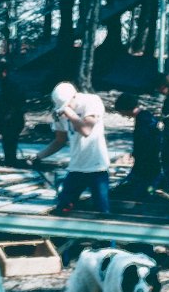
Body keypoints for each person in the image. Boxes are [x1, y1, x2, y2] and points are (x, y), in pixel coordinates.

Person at [32, 82, 111, 215]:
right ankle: (61, 235)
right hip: (76, 168)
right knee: (63, 207)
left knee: (102, 211)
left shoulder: (91, 101)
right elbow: (59, 141)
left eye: (67, 104)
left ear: (74, 97)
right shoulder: (60, 112)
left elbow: (86, 130)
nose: (65, 108)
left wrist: (69, 112)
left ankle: (103, 234)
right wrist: (39, 156)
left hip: (97, 167)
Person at [112, 93, 163, 198]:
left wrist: (139, 155)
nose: (122, 115)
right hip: (147, 159)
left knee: (141, 186)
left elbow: (146, 141)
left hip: (147, 161)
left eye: (121, 112)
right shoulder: (145, 116)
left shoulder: (143, 120)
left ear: (125, 109)